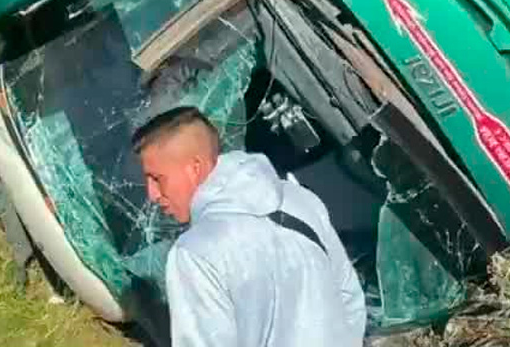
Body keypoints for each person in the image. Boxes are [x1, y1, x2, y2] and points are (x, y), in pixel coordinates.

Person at [134, 106, 366, 347]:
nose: (152, 194)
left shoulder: (195, 254)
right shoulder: (302, 201)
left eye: (157, 178)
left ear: (195, 168)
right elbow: (350, 298)